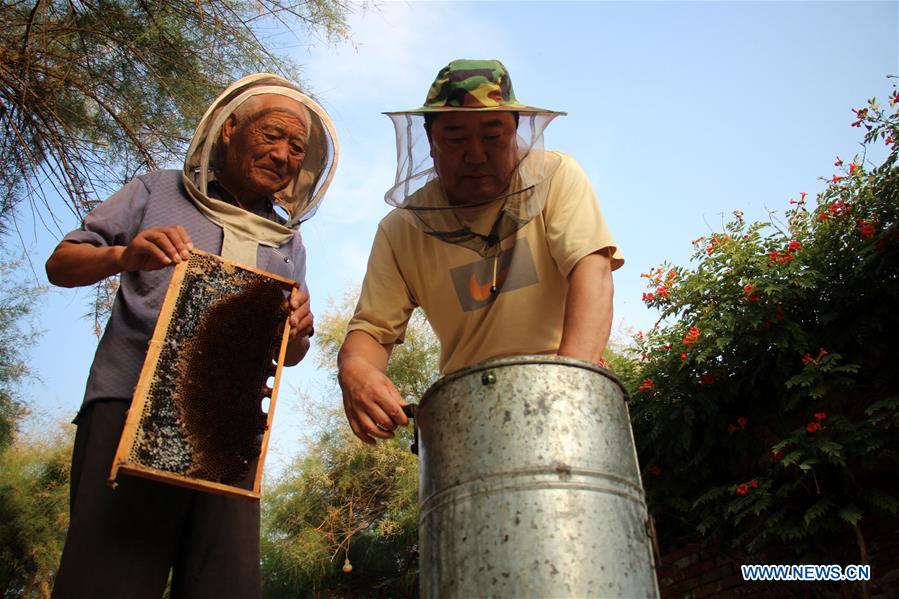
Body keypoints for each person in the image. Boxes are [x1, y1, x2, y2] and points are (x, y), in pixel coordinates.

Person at [45, 73, 339, 598]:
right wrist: (124, 254)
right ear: (229, 129)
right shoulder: (156, 189)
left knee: (224, 583)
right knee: (108, 579)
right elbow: (61, 263)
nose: (283, 154)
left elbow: (290, 355)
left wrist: (298, 331)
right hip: (128, 407)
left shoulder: (287, 242)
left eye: (296, 147)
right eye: (272, 134)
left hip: (230, 432)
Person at [338, 59, 624, 445]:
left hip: (572, 401)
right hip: (470, 423)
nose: (475, 155)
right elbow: (372, 331)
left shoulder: (556, 177)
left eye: (492, 135)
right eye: (455, 138)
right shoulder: (400, 230)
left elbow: (593, 270)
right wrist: (354, 369)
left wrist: (566, 390)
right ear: (429, 141)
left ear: (516, 133)